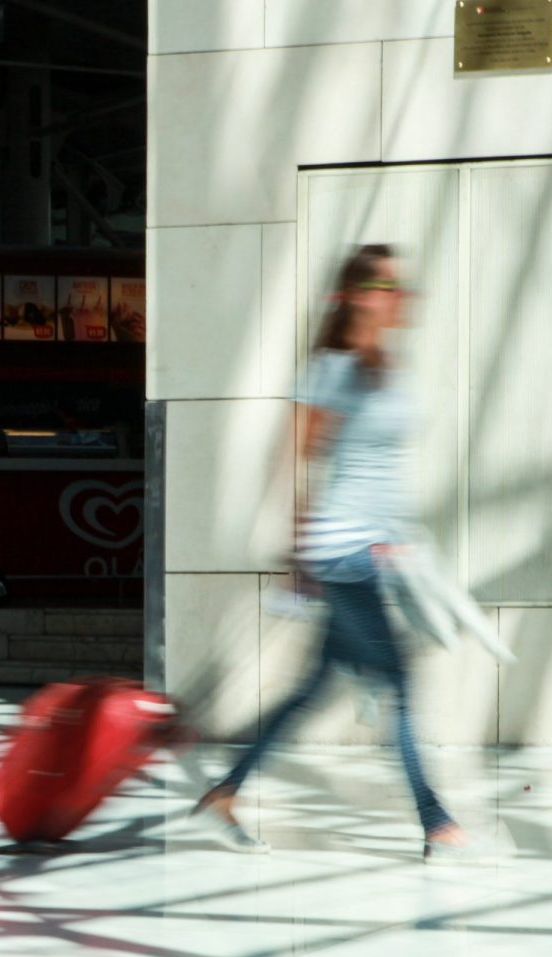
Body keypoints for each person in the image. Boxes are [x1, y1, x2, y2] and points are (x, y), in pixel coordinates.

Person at [194, 244, 467, 859]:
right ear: (359, 295)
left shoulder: (384, 365)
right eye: (388, 286)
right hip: (339, 554)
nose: (401, 297)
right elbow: (297, 460)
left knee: (311, 689)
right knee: (398, 679)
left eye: (402, 286)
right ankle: (436, 821)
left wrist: (396, 541)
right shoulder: (332, 369)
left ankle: (226, 792)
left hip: (372, 554)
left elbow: (379, 470)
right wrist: (300, 554)